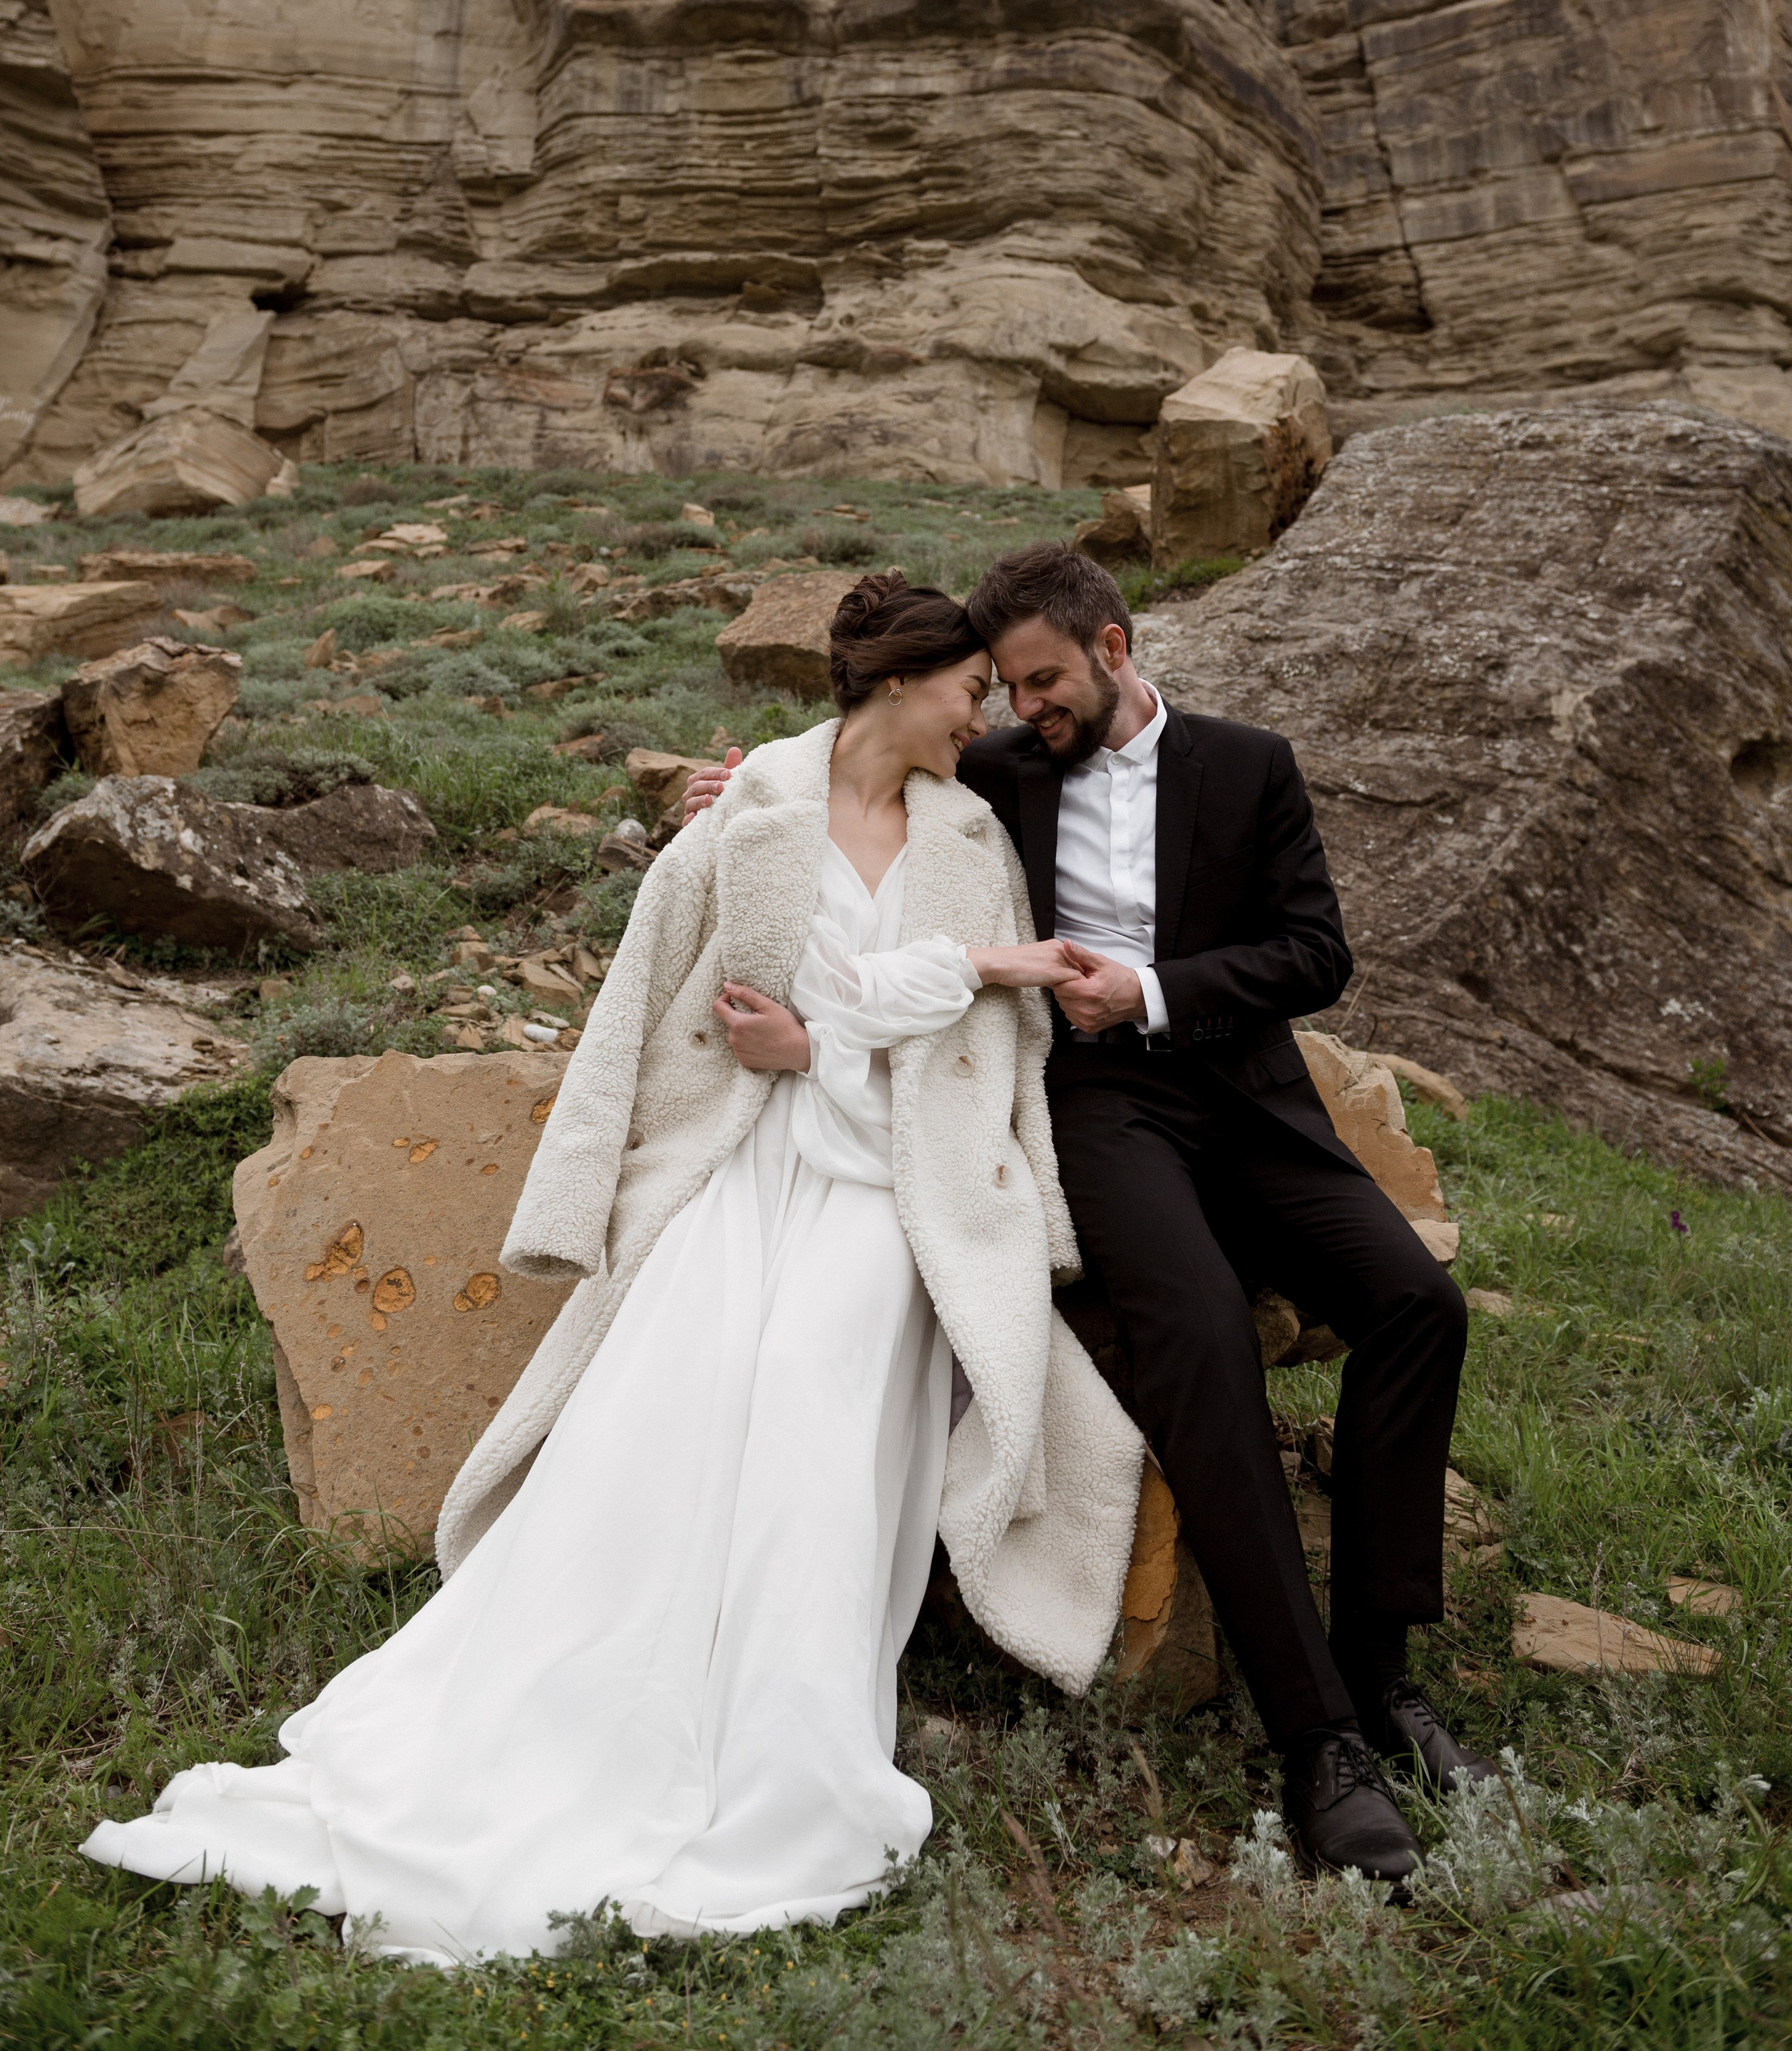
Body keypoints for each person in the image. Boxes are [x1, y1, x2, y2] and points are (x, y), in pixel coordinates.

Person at [81, 573, 1145, 1963]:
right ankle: (579, 1710)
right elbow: (645, 996)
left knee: (811, 1388)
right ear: (900, 680)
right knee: (661, 1397)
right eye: (968, 688)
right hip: (741, 1163)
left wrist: (849, 1054)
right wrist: (579, 1192)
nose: (985, 714)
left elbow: (986, 1050)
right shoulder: (748, 807)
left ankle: (784, 1734)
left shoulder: (970, 833)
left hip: (892, 1186)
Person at [685, 543, 1493, 1888]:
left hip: (1250, 1096)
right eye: (1004, 688)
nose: (1023, 709)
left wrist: (1156, 991)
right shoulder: (1000, 770)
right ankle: (1317, 1742)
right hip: (1102, 1110)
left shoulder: (1252, 765)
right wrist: (743, 790)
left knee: (1420, 1308)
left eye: (1044, 680)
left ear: (1113, 648)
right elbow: (859, 760)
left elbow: (1317, 953)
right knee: (1200, 1341)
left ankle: (1382, 1672)